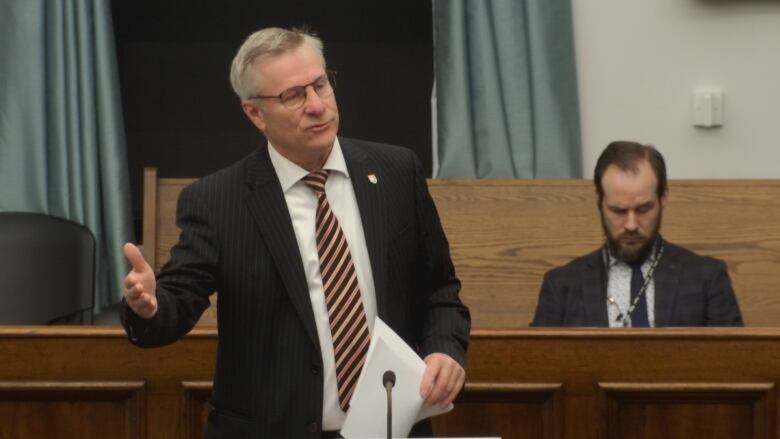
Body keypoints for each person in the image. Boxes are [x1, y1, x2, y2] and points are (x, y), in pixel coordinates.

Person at [121, 27, 470, 438]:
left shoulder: (396, 172)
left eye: (321, 85)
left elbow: (441, 292)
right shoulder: (218, 200)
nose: (318, 106)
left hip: (390, 429)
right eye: (293, 96)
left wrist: (445, 350)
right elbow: (177, 303)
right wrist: (148, 305)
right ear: (255, 113)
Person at [531, 140, 743, 327]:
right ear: (599, 201)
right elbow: (537, 366)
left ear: (664, 198)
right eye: (619, 211)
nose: (631, 225)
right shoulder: (562, 285)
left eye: (643, 209)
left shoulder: (707, 278)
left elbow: (736, 362)